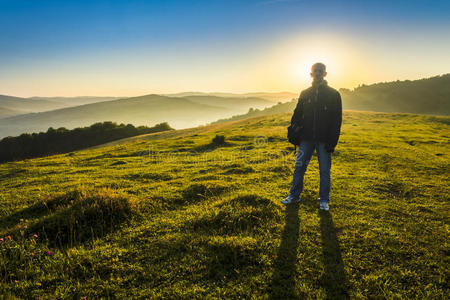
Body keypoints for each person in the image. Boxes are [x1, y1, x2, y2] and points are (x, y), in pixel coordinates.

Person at [282, 62, 342, 211]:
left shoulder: (334, 94)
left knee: (324, 171)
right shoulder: (305, 93)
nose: (318, 73)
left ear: (325, 74)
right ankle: (294, 196)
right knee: (299, 168)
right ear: (311, 74)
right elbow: (297, 114)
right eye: (315, 71)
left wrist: (332, 142)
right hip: (306, 138)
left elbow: (337, 120)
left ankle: (324, 201)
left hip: (324, 140)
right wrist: (295, 128)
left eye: (320, 71)